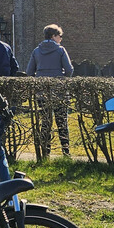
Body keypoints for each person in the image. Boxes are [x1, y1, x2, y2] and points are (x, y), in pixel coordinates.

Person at [26, 24, 74, 155]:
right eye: (60, 36)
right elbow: (69, 69)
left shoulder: (36, 51)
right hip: (59, 91)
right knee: (62, 122)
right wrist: (62, 79)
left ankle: (45, 152)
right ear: (53, 36)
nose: (61, 39)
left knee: (45, 122)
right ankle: (66, 151)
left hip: (42, 92)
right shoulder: (61, 50)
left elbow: (29, 71)